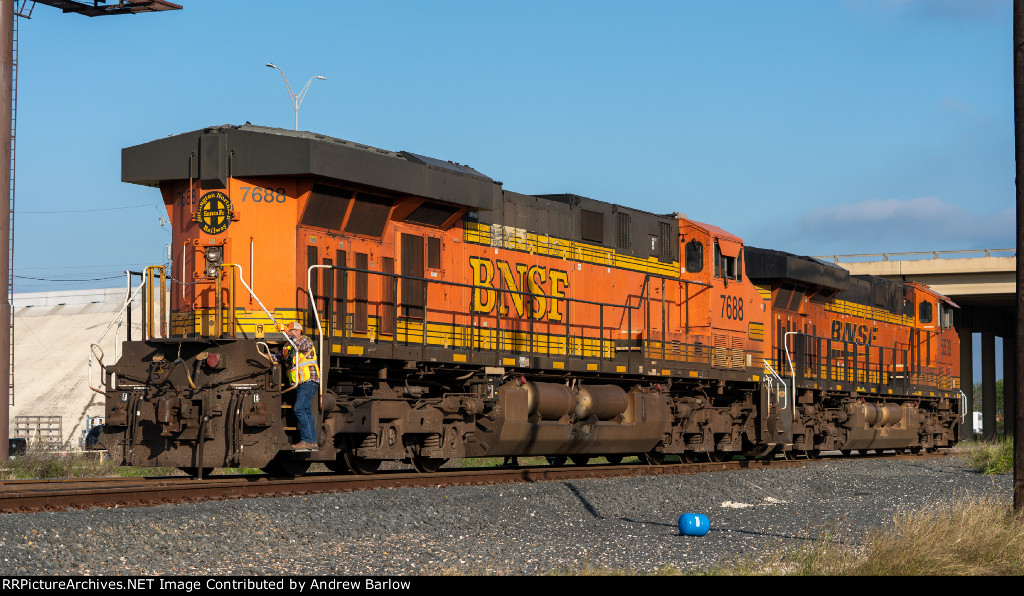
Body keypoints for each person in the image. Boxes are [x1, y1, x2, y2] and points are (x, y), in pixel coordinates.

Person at [280, 321, 320, 450]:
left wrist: (286, 332)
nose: (289, 333)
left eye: (291, 331)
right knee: (307, 411)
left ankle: (307, 440)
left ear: (298, 331)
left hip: (309, 381)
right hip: (301, 383)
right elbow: (282, 357)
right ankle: (312, 442)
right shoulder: (290, 346)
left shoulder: (305, 340)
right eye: (289, 331)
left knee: (299, 409)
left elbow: (297, 345)